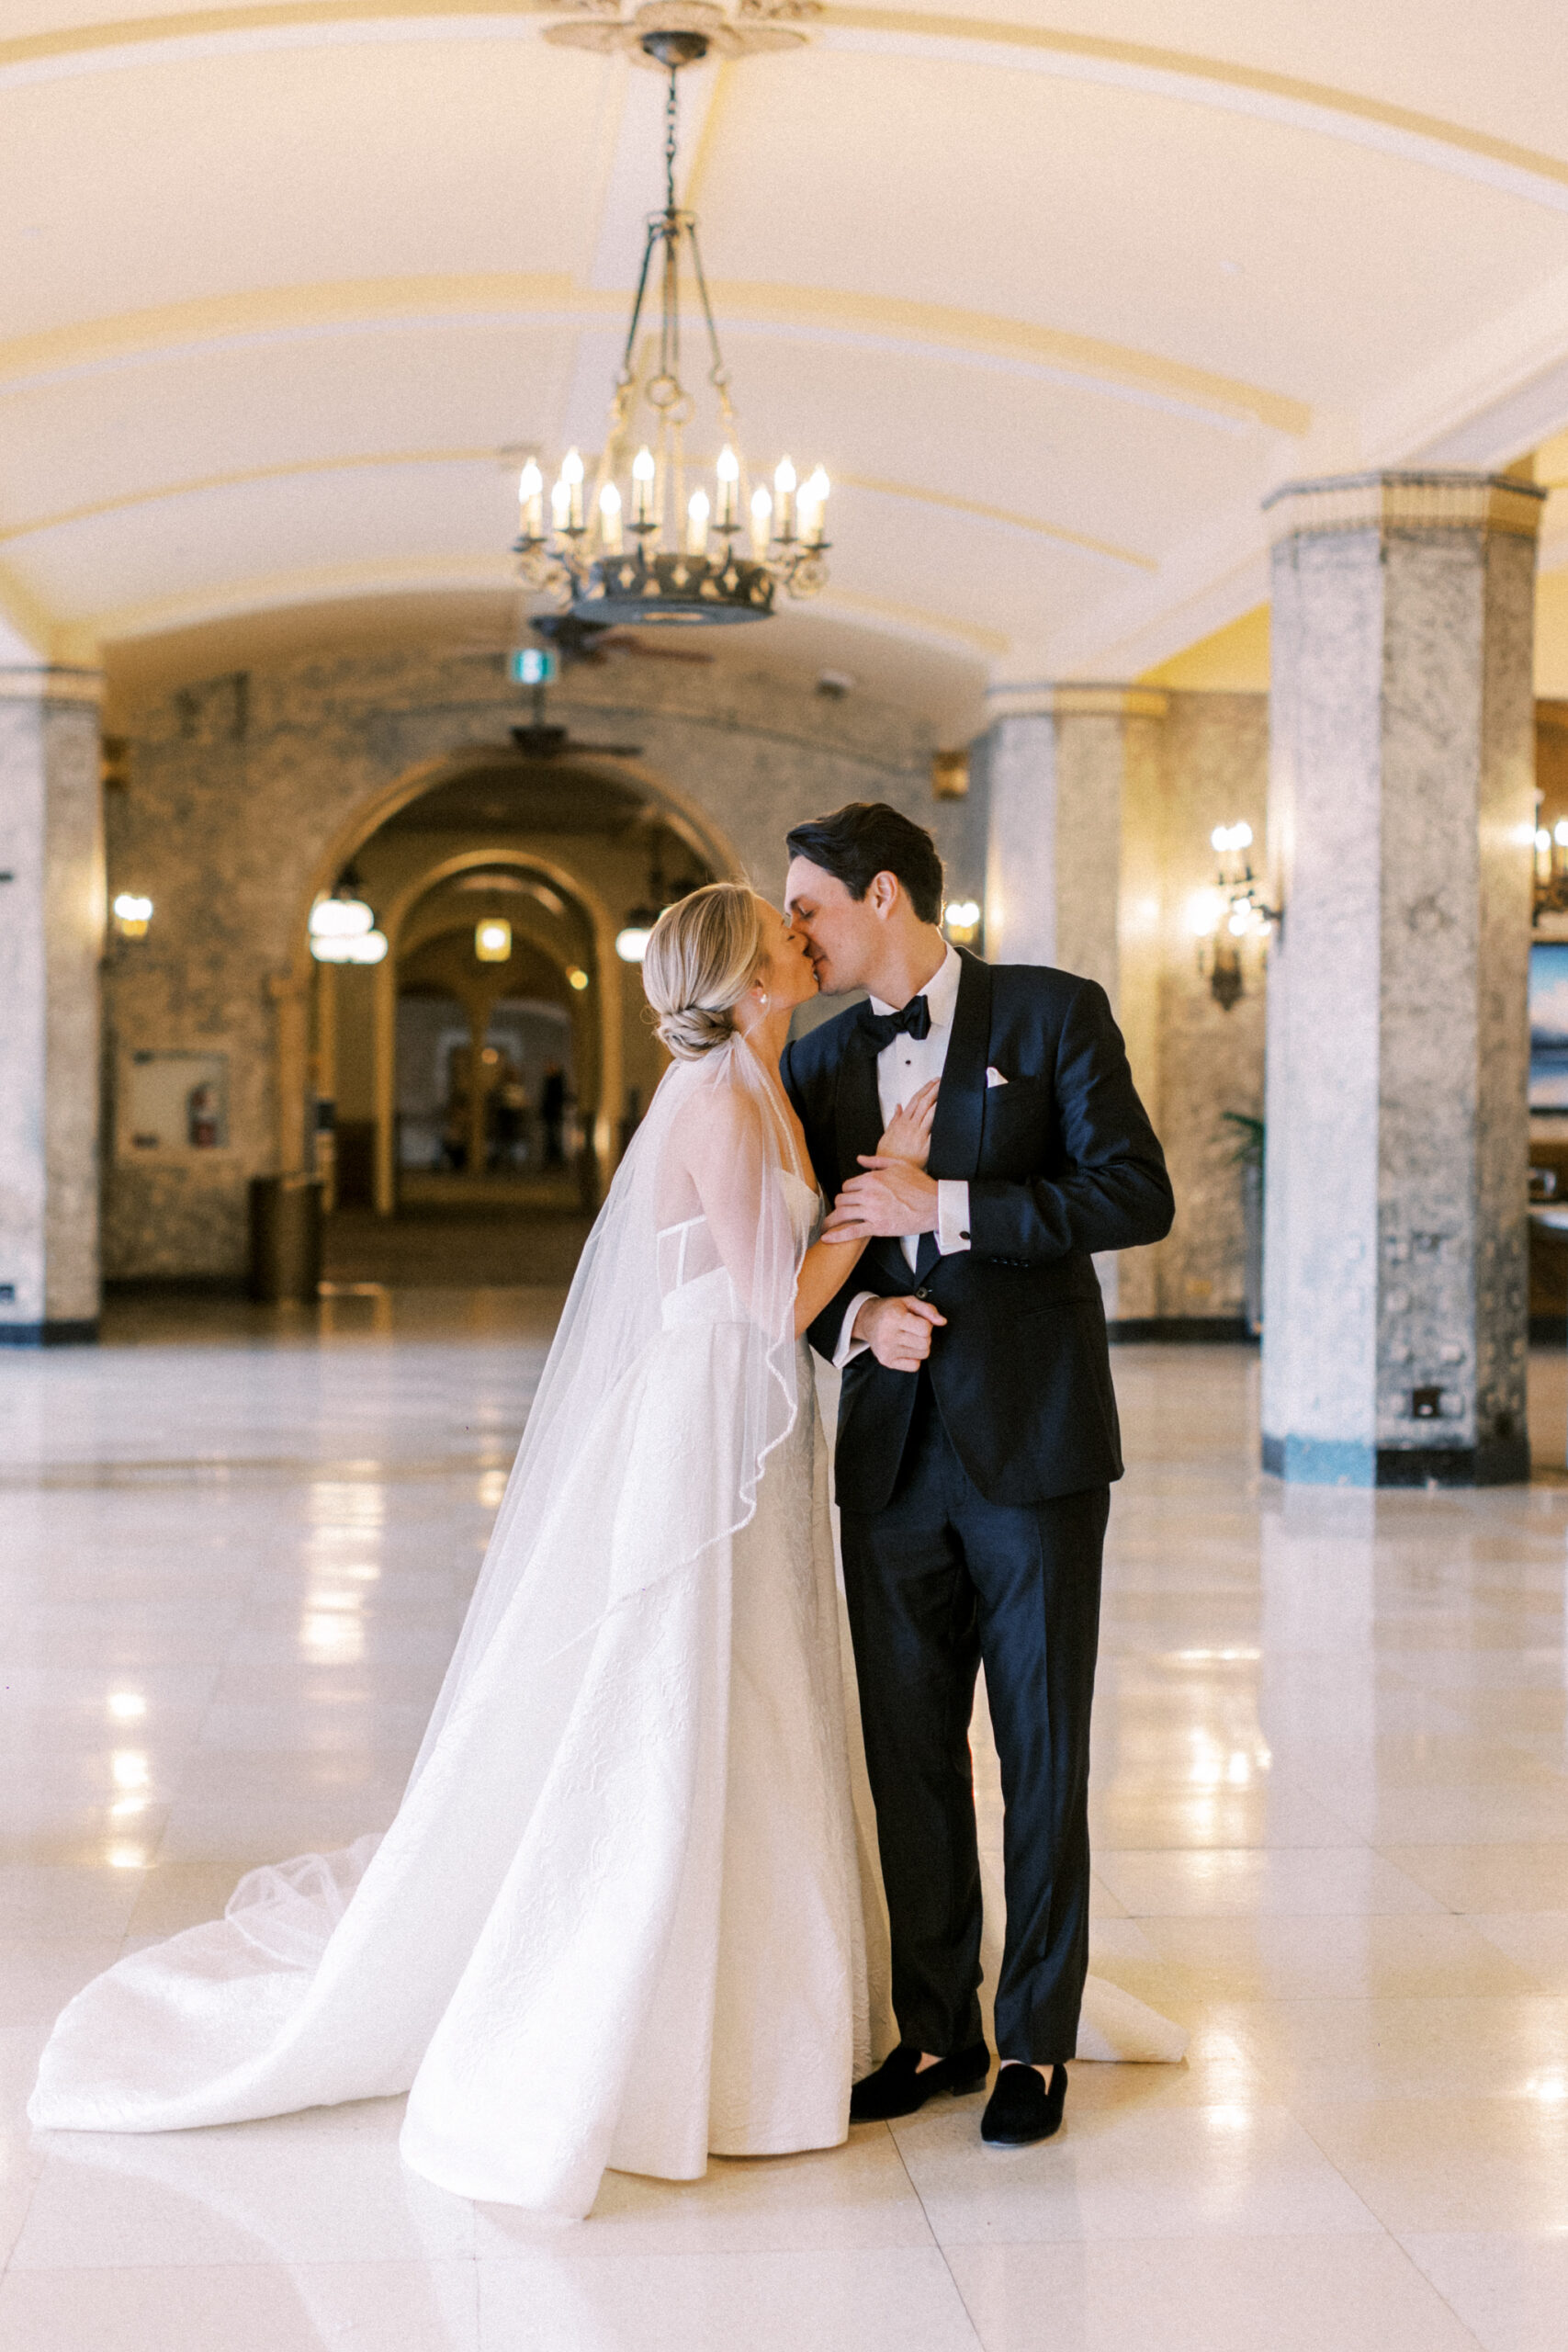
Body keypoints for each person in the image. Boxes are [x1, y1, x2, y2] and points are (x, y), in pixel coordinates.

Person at [27, 886, 919, 2218]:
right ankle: (674, 2022)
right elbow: (755, 1306)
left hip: (734, 1421)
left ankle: (761, 2005)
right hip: (696, 1418)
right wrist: (864, 1211)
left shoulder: (755, 1081)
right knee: (680, 1683)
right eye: (777, 934)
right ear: (740, 980)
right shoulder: (727, 1107)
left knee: (758, 1694)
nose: (801, 939)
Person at [782, 801, 1175, 2148]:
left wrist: (942, 1208)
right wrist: (856, 1324)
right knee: (906, 1754)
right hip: (887, 1455)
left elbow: (1132, 1195)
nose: (795, 933)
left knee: (1039, 1745)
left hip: (1036, 1444)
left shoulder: (1053, 1014)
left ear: (879, 893)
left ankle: (1036, 2046)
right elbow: (785, 1256)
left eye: (809, 908)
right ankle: (935, 2030)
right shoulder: (817, 1060)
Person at [540, 1058, 569, 1165]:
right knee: (550, 1135)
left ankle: (555, 1157)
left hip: (554, 1112)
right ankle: (551, 1157)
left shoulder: (556, 1081)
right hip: (550, 1113)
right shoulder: (549, 1080)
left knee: (554, 1135)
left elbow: (556, 1097)